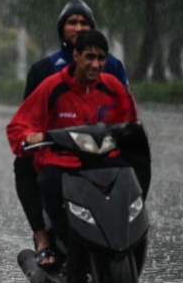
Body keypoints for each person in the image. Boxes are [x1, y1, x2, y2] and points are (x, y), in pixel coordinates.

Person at [7, 30, 138, 267]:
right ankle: (61, 243)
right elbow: (19, 125)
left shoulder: (113, 87)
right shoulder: (51, 87)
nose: (95, 64)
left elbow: (130, 121)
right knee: (47, 182)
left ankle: (128, 241)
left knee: (130, 177)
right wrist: (30, 137)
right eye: (89, 57)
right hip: (62, 163)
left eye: (101, 58)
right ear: (75, 55)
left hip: (103, 161)